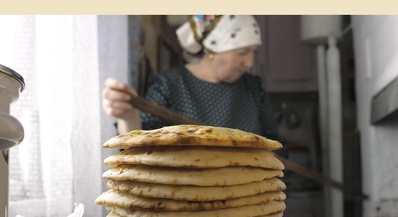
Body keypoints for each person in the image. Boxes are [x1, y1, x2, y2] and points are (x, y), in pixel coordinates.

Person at [101, 15, 282, 145]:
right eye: (242, 53)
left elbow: (274, 143)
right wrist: (129, 115)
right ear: (212, 50)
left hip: (247, 192)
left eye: (253, 52)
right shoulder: (170, 84)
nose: (249, 63)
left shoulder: (253, 87)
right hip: (183, 193)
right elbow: (136, 143)